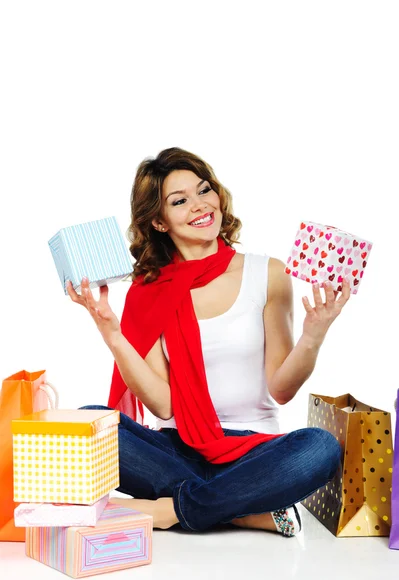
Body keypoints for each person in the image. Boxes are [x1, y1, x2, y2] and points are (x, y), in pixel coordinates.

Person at [66, 147, 348, 536]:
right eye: (179, 201)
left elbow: (281, 390)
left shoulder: (267, 273)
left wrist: (314, 334)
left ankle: (171, 510)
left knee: (320, 448)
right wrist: (112, 334)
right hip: (177, 450)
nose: (200, 206)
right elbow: (162, 404)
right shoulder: (147, 291)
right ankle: (240, 511)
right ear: (159, 221)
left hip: (255, 452)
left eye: (204, 190)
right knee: (85, 424)